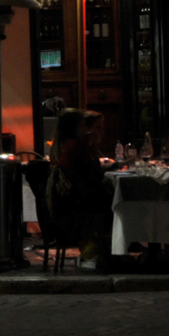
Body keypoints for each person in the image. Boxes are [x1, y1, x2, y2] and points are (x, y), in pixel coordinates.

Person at [46, 109, 110, 269]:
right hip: (79, 204)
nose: (85, 128)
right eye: (82, 124)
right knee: (114, 201)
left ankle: (99, 252)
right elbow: (94, 171)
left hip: (66, 202)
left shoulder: (61, 145)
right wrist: (91, 147)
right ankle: (107, 252)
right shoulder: (76, 144)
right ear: (75, 126)